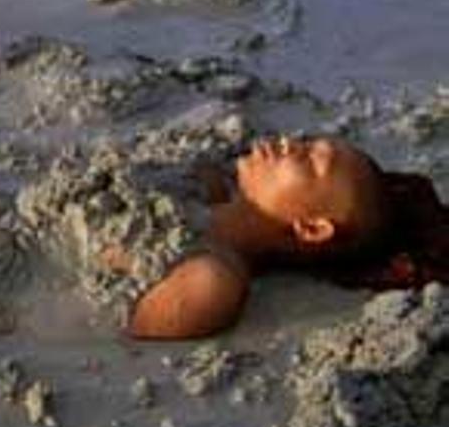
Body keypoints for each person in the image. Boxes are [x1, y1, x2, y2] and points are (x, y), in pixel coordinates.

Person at [128, 134, 449, 340]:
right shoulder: (210, 181)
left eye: (309, 159)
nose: (288, 143)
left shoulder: (210, 283)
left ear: (311, 229)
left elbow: (118, 327)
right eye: (306, 140)